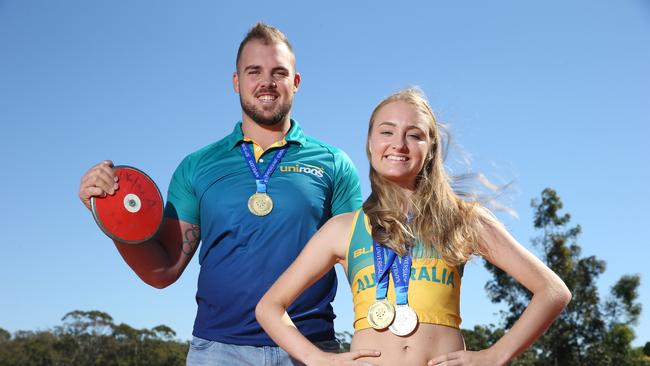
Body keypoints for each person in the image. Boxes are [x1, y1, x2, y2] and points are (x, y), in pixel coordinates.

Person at [78, 23, 363, 365]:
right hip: (219, 352)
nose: (266, 82)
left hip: (312, 350)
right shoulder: (197, 166)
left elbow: (362, 266)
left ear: (296, 82)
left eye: (279, 72)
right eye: (253, 71)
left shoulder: (334, 163)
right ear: (236, 81)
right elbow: (163, 270)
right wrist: (114, 222)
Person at [256, 88, 572, 365]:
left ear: (431, 147)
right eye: (387, 132)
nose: (400, 144)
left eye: (415, 134)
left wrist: (495, 355)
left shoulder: (462, 219)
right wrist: (317, 359)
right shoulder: (342, 229)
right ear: (369, 143)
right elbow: (269, 306)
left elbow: (553, 291)